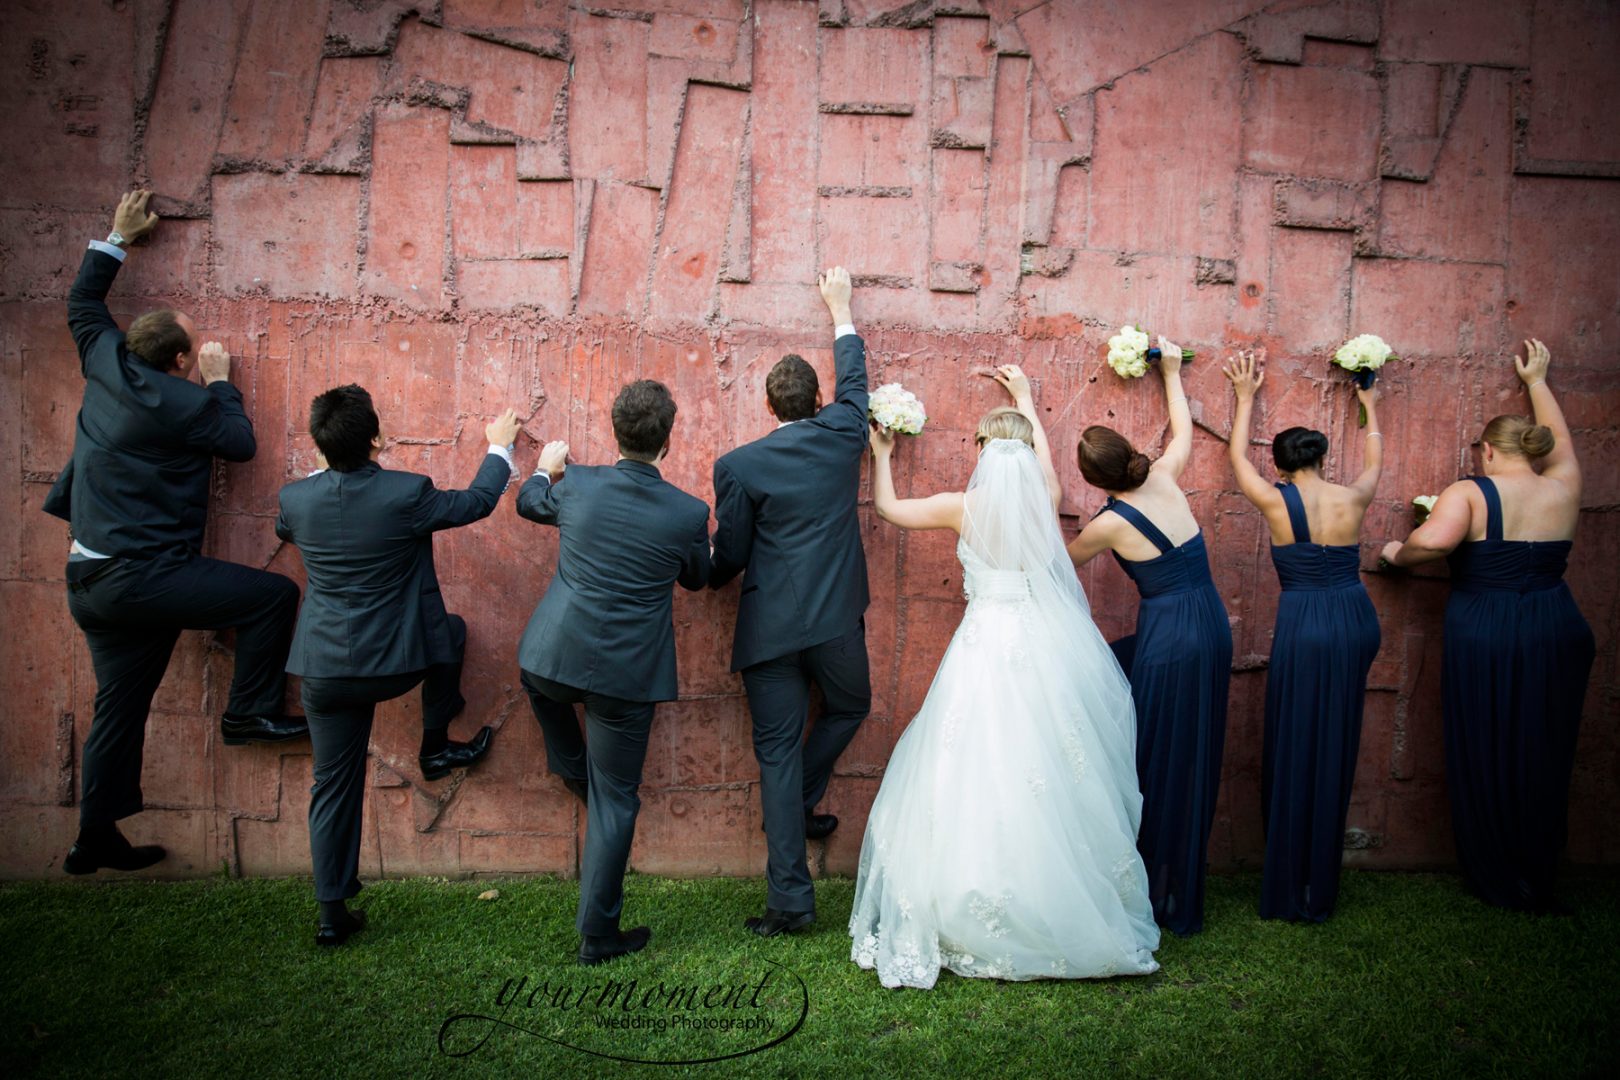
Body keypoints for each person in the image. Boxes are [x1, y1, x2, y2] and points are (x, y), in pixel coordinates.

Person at [848, 366, 1160, 990]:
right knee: (1047, 764)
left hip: (985, 643)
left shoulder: (962, 508)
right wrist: (1025, 402)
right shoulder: (1045, 503)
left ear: (986, 452)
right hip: (1042, 648)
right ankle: (1053, 897)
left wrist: (882, 454)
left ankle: (972, 894)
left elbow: (886, 508)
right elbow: (1042, 464)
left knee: (974, 764)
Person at [47, 190, 305, 877]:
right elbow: (241, 443)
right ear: (181, 362)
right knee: (272, 598)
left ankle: (93, 837)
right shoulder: (186, 402)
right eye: (194, 353)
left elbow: (82, 303)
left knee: (120, 708)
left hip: (89, 578)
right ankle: (249, 713)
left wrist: (117, 236)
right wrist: (222, 384)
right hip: (141, 577)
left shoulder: (102, 357)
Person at [276, 386, 514, 945]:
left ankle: (332, 915)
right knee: (450, 632)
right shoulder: (407, 493)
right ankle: (434, 743)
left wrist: (319, 479)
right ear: (377, 439)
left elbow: (287, 530)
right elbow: (477, 502)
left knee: (331, 784)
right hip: (397, 666)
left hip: (325, 671)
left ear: (319, 446)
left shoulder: (296, 500)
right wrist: (498, 448)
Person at [1380, 340, 1594, 912]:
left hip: (1489, 625)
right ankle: (1537, 867)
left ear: (1491, 453)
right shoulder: (1565, 483)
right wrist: (1539, 382)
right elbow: (1564, 442)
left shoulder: (1470, 492)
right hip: (1556, 621)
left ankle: (1496, 870)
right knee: (1545, 744)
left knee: (1486, 738)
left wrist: (1397, 551)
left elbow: (1434, 543)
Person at [517, 380, 711, 965]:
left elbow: (528, 504)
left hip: (551, 657)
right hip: (627, 677)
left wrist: (544, 469)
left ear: (615, 433)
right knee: (616, 801)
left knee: (538, 686)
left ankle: (574, 769)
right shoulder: (688, 512)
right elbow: (698, 579)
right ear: (668, 442)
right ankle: (598, 936)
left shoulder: (575, 485)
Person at [709, 267, 871, 938]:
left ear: (771, 408)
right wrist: (841, 311)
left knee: (775, 758)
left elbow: (734, 553)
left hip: (770, 628)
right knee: (851, 704)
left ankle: (790, 901)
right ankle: (797, 798)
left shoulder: (739, 465)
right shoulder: (843, 435)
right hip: (835, 622)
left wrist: (703, 567)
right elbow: (857, 385)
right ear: (815, 402)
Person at [1068, 339, 1232, 936]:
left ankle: (1152, 889)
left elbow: (1060, 564)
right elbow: (1183, 429)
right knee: (1192, 752)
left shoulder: (1108, 523)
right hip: (1211, 624)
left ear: (1092, 481)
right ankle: (1175, 880)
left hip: (1170, 634)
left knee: (1156, 757)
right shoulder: (1164, 475)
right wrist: (1169, 373)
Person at [1223, 350, 1381, 922]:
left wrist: (1244, 397)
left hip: (1305, 622)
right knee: (1337, 733)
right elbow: (1374, 459)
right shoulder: (1354, 497)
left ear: (1283, 467)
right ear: (1321, 457)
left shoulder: (1272, 499)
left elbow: (1236, 456)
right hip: (1356, 617)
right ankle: (1322, 873)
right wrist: (1370, 406)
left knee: (1297, 735)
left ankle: (1293, 871)